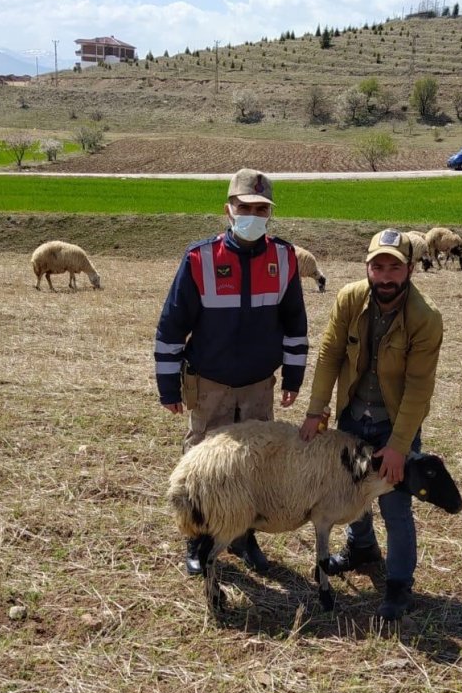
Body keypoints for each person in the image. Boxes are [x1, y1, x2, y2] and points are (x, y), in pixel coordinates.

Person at [155, 169, 309, 577]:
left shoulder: (284, 257)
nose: (253, 215)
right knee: (203, 462)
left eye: (261, 209)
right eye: (245, 207)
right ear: (228, 210)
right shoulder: (199, 259)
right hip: (211, 384)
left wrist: (293, 377)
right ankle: (198, 538)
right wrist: (167, 384)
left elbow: (295, 322)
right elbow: (171, 326)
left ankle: (244, 537)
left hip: (259, 384)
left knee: (256, 464)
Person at [298, 228, 444, 621]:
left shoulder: (425, 317)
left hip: (395, 422)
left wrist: (398, 446)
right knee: (350, 493)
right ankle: (361, 549)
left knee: (395, 507)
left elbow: (418, 388)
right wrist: (317, 411)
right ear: (367, 267)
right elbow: (330, 355)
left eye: (393, 268)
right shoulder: (349, 298)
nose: (385, 276)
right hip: (352, 416)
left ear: (410, 270)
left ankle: (399, 584)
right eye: (377, 266)